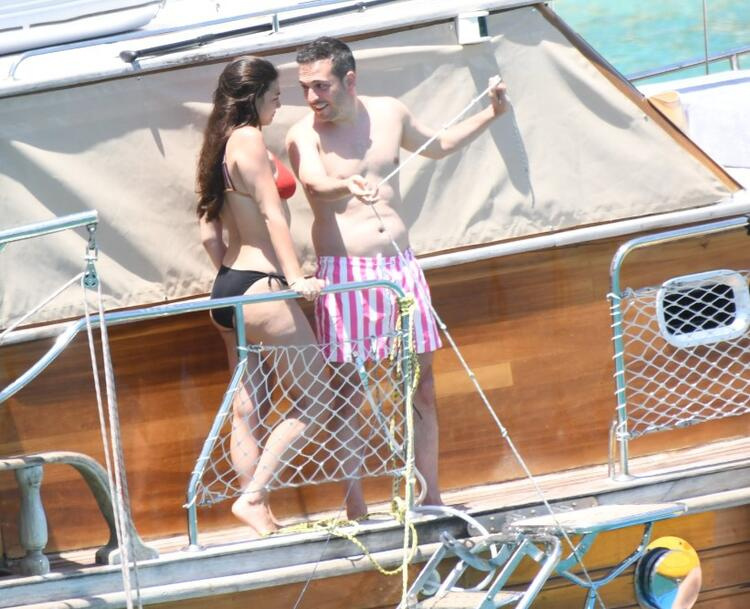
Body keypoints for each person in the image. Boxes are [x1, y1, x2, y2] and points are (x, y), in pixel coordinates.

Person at [286, 37, 509, 518]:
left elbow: (439, 144)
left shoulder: (390, 112)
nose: (311, 97)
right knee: (349, 391)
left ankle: (430, 497)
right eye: (304, 87)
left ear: (349, 79)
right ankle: (357, 507)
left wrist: (492, 113)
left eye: (320, 86)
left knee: (421, 385)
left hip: (400, 267)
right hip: (346, 273)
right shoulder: (304, 133)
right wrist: (345, 183)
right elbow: (313, 183)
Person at [196, 56, 329, 537]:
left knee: (249, 407)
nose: (279, 102)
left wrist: (237, 281)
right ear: (253, 97)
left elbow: (209, 232)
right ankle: (252, 498)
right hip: (259, 287)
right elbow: (273, 215)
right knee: (318, 401)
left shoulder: (218, 144)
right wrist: (294, 279)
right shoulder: (249, 139)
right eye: (274, 95)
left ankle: (258, 511)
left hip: (229, 286)